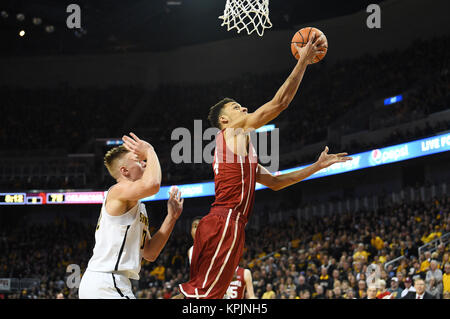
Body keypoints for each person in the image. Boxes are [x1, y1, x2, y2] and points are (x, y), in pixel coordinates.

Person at [176, 34, 351, 299]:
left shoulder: (240, 150)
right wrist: (303, 60)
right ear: (224, 119)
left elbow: (277, 183)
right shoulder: (233, 131)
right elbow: (280, 103)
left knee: (202, 295)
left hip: (223, 222)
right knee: (201, 298)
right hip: (226, 221)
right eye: (236, 107)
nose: (244, 107)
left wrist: (317, 166)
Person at [79, 133, 184, 299]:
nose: (144, 163)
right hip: (106, 281)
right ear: (124, 170)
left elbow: (150, 253)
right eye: (138, 160)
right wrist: (149, 150)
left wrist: (171, 218)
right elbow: (153, 184)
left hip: (110, 282)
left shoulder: (138, 206)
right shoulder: (117, 191)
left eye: (143, 160)